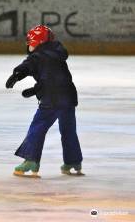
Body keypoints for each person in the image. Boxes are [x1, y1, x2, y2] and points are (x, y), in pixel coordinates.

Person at [6, 25, 83, 178]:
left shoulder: (37, 56)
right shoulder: (57, 54)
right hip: (68, 98)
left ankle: (31, 161)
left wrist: (17, 74)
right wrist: (35, 89)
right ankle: (73, 162)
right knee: (68, 131)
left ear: (37, 42)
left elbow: (27, 67)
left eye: (30, 42)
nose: (29, 46)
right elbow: (54, 79)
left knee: (37, 128)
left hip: (51, 100)